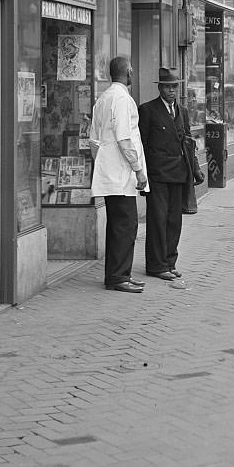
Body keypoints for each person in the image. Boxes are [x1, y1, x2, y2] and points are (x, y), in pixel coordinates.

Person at [89, 56, 148, 294]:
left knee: (117, 225)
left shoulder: (103, 99)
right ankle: (118, 276)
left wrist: (102, 164)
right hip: (121, 175)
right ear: (129, 72)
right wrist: (138, 170)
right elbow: (125, 138)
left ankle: (118, 274)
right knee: (126, 225)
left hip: (110, 172)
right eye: (132, 71)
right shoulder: (122, 99)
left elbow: (93, 139)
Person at [139, 67, 198, 282]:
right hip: (158, 175)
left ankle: (170, 261)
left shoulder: (182, 110)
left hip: (179, 174)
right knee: (158, 220)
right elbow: (142, 144)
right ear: (160, 88)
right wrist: (144, 174)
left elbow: (188, 141)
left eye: (174, 87)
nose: (171, 91)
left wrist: (195, 168)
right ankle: (156, 265)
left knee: (174, 220)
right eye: (167, 87)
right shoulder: (148, 110)